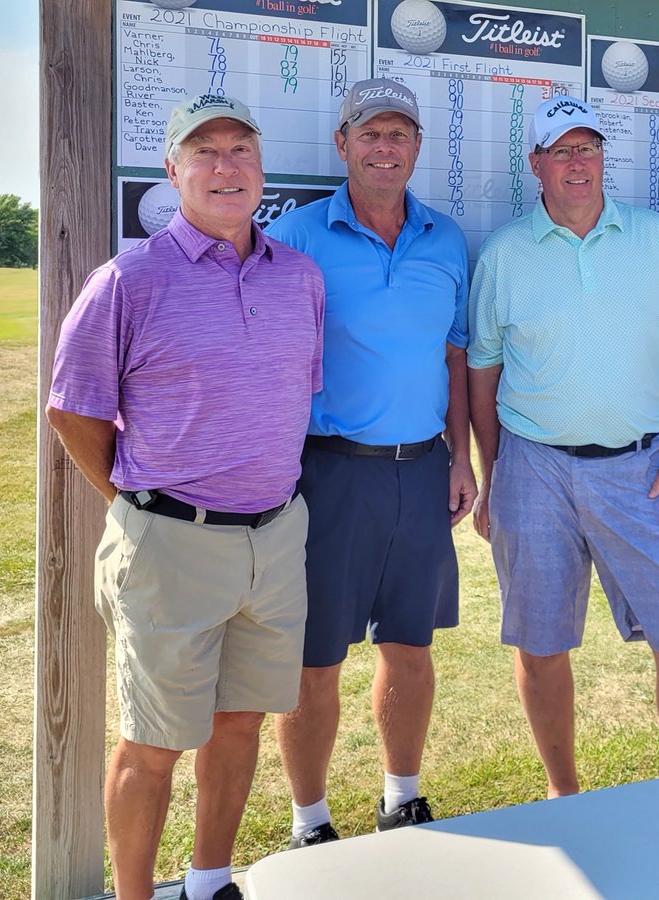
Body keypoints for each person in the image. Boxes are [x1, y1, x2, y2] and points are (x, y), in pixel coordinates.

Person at [46, 93, 324, 900]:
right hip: (171, 544)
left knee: (240, 723)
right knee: (154, 741)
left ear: (261, 172)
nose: (226, 166)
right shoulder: (129, 278)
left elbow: (292, 393)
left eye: (241, 149)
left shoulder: (297, 277)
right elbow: (73, 411)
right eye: (205, 152)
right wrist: (141, 506)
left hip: (274, 538)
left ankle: (209, 882)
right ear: (173, 171)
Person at [468, 95, 659, 797]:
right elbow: (481, 370)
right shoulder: (505, 252)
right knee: (541, 646)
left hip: (643, 466)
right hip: (534, 469)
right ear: (536, 164)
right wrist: (496, 474)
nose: (577, 163)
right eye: (562, 151)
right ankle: (562, 795)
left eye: (588, 148)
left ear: (603, 157)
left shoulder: (652, 237)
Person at [266, 78, 475, 845]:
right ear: (342, 145)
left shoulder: (445, 238)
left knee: (409, 647)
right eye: (370, 134)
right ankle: (309, 819)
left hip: (421, 468)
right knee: (314, 658)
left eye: (399, 135)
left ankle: (401, 798)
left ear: (417, 147)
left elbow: (455, 356)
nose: (385, 148)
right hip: (329, 472)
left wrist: (461, 458)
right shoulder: (297, 236)